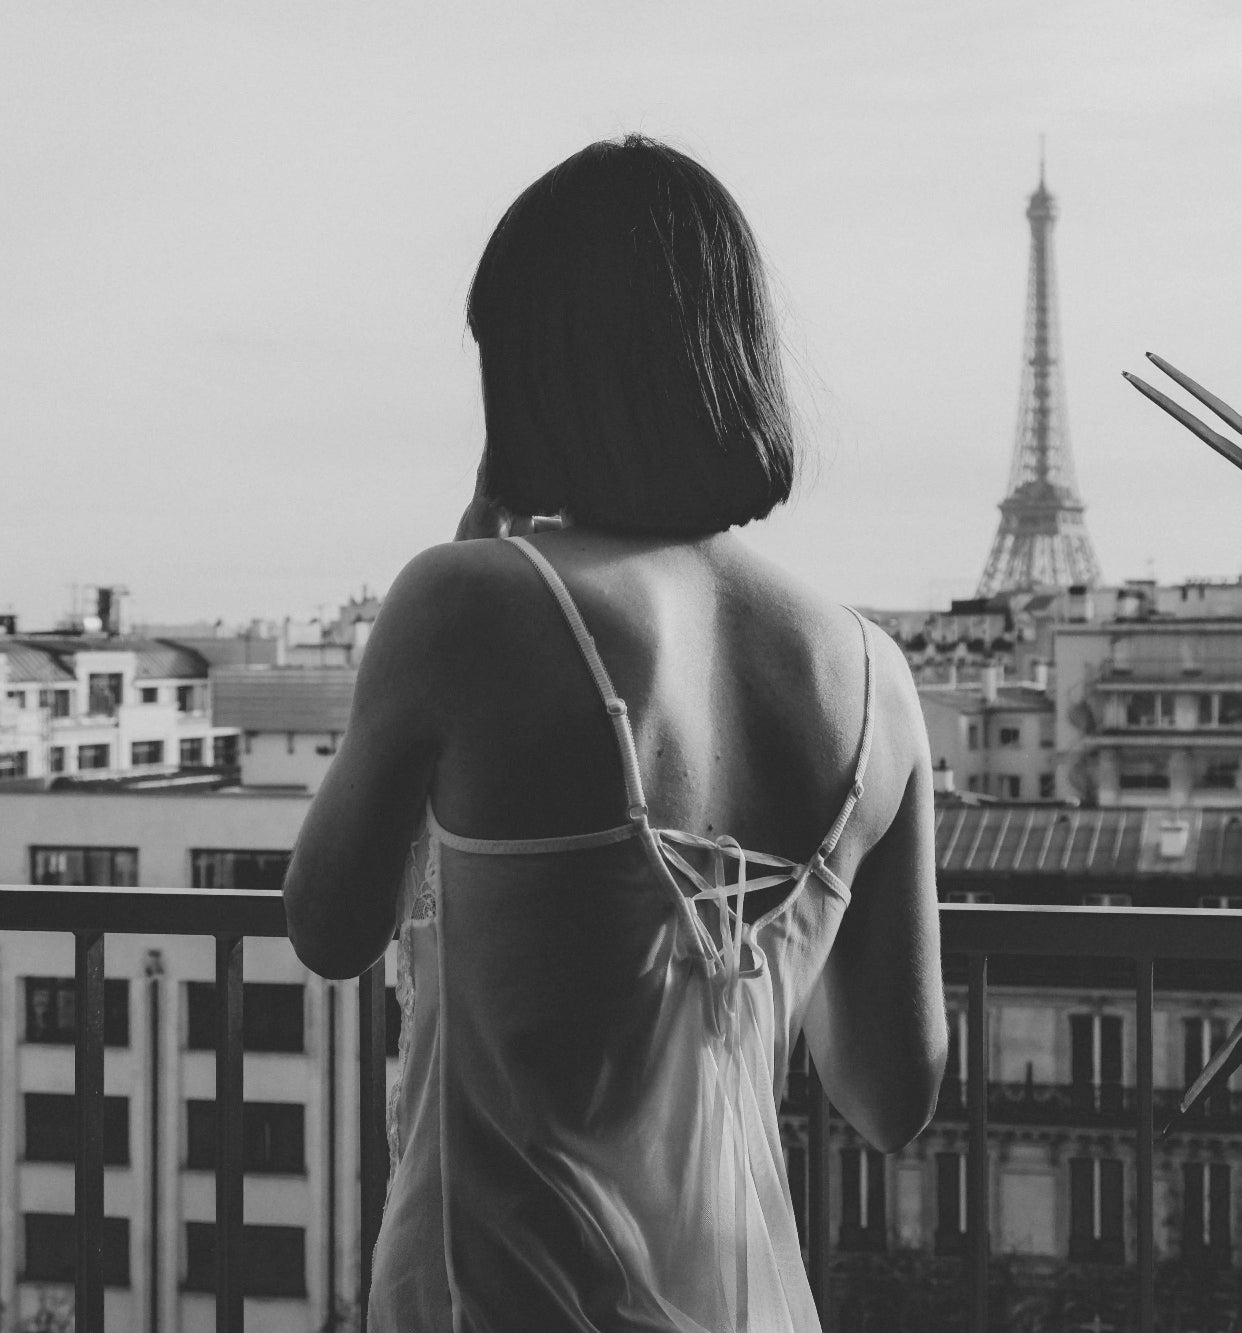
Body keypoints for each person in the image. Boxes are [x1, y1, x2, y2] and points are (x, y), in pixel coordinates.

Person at [284, 135, 945, 1332]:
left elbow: (329, 929)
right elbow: (889, 1095)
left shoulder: (468, 604)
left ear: (531, 368)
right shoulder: (874, 679)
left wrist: (476, 550)